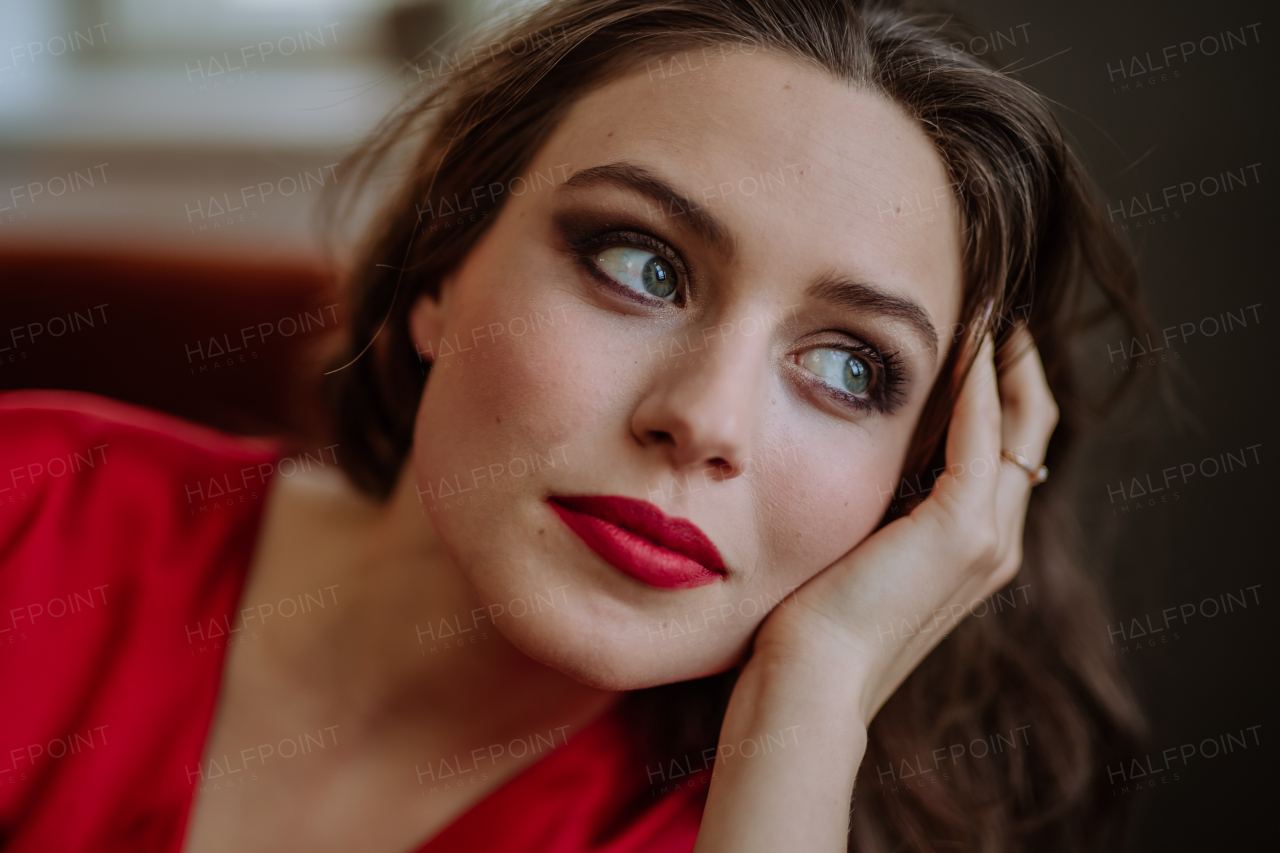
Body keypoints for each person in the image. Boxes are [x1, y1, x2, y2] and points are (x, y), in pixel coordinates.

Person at [0, 1, 1150, 850]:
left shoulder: (746, 825)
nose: (702, 419)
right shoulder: (29, 509)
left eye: (850, 368)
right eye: (641, 264)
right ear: (439, 276)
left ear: (923, 481)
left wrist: (818, 687)